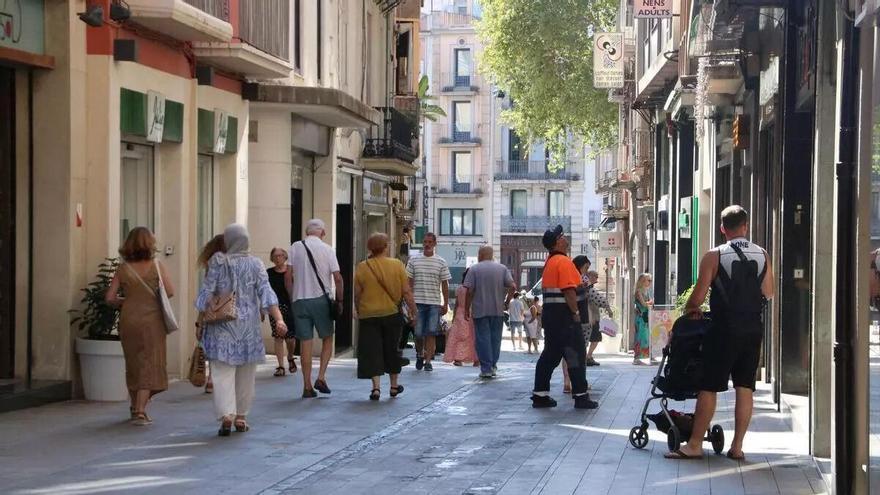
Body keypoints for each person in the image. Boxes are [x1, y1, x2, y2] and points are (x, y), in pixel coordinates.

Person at [665, 205, 774, 461]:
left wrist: (692, 309)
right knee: (745, 386)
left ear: (722, 228)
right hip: (752, 328)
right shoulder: (763, 254)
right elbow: (769, 292)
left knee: (709, 386)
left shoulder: (715, 255)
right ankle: (737, 447)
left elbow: (699, 296)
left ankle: (693, 445)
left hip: (723, 329)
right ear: (746, 226)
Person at [196, 224, 286, 436]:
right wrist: (279, 319)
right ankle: (241, 417)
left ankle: (227, 415)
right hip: (248, 329)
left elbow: (206, 294)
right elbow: (266, 292)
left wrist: (201, 317)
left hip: (221, 326)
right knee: (246, 374)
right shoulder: (256, 264)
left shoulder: (217, 261)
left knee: (221, 373)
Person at [105, 227, 175, 426]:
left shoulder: (123, 268)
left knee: (133, 362)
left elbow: (109, 298)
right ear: (149, 243)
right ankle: (140, 410)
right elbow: (170, 291)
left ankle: (135, 404)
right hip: (152, 321)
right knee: (150, 363)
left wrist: (127, 301)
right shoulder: (157, 266)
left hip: (129, 320)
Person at [531, 225, 598, 409]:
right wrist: (576, 314)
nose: (565, 238)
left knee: (550, 355)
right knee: (575, 354)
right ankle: (581, 396)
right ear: (557, 242)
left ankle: (540, 394)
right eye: (561, 236)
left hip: (553, 316)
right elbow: (569, 291)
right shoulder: (564, 261)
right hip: (565, 318)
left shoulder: (551, 262)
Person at [354, 233, 417, 400]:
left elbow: (357, 294)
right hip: (391, 314)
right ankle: (394, 386)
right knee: (392, 350)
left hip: (368, 315)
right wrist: (413, 311)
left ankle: (375, 388)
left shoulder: (362, 266)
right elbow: (406, 292)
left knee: (372, 351)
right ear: (385, 246)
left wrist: (358, 310)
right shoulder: (397, 265)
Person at [285, 219, 343, 398]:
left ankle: (307, 385)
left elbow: (288, 276)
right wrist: (340, 300)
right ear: (323, 233)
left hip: (299, 300)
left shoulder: (295, 246)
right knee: (327, 338)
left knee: (305, 343)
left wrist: (292, 296)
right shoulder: (328, 250)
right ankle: (321, 377)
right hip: (320, 300)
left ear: (306, 232)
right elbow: (338, 278)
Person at [464, 246, 517, 379]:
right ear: (492, 255)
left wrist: (466, 308)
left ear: (480, 254)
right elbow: (513, 286)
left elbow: (469, 291)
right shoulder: (502, 268)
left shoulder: (474, 269)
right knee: (495, 339)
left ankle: (486, 368)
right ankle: (493, 365)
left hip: (480, 310)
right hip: (497, 310)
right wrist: (506, 302)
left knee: (483, 340)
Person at [406, 232, 451, 372]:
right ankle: (420, 354)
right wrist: (408, 303)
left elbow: (445, 284)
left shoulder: (441, 262)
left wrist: (445, 303)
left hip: (433, 303)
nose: (427, 245)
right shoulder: (414, 260)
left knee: (431, 333)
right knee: (418, 333)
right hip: (417, 302)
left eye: (430, 242)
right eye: (425, 242)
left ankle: (428, 361)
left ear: (435, 244)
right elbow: (409, 282)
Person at [197, 234, 226, 394]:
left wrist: (199, 320)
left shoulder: (210, 263)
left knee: (214, 344)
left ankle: (211, 379)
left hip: (213, 308)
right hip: (229, 307)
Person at [562, 255, 592, 393]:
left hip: (567, 319)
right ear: (580, 266)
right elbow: (593, 296)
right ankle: (579, 383)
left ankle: (567, 381)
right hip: (581, 319)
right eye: (586, 268)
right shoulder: (582, 279)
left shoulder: (568, 276)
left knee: (567, 351)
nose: (586, 271)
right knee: (580, 352)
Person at [267, 247, 297, 377]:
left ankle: (290, 356)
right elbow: (264, 292)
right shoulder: (268, 273)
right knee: (278, 336)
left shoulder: (291, 272)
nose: (278, 258)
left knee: (290, 338)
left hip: (289, 307)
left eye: (280, 255)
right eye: (275, 256)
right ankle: (280, 366)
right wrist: (262, 309)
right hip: (274, 308)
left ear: (285, 257)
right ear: (272, 259)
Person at [444, 269, 480, 367]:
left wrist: (454, 316)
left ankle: (458, 359)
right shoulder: (474, 288)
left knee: (459, 337)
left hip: (460, 314)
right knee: (473, 337)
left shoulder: (460, 288)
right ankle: (476, 359)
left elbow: (456, 304)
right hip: (472, 313)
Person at [585, 269, 613, 366]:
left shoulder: (589, 288)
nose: (597, 279)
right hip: (591, 318)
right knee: (594, 338)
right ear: (590, 277)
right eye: (595, 276)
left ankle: (588, 356)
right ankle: (587, 357)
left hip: (592, 317)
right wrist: (608, 309)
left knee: (593, 338)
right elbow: (601, 300)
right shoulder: (589, 288)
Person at [633, 273, 653, 365]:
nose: (650, 282)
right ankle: (636, 358)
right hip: (640, 317)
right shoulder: (639, 291)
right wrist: (650, 302)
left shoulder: (647, 291)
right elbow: (644, 304)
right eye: (648, 280)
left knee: (646, 336)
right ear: (643, 281)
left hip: (645, 315)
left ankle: (648, 355)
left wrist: (649, 303)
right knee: (640, 336)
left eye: (650, 280)